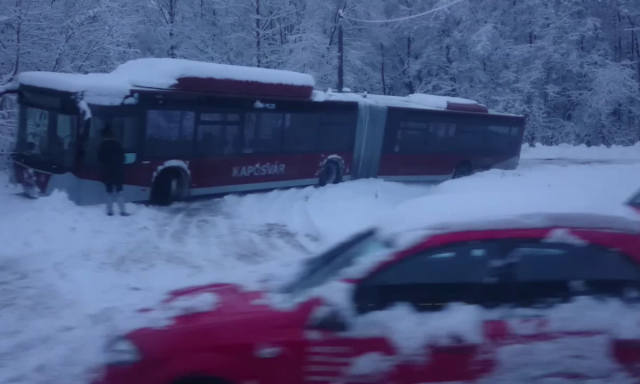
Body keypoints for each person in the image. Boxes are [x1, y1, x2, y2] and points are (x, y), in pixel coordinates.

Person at [98, 125, 128, 216]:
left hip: (107, 172)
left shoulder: (101, 146)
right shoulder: (118, 145)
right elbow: (123, 159)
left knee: (109, 192)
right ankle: (122, 211)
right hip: (118, 171)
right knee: (120, 192)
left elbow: (99, 160)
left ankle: (109, 211)